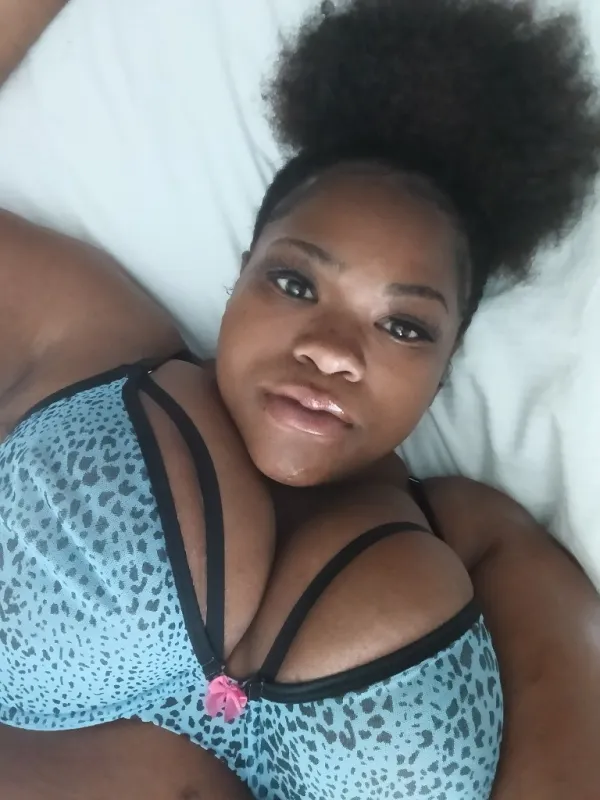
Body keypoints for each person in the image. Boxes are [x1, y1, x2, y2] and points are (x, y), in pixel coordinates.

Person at [1, 0, 600, 798]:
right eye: (294, 282)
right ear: (240, 276)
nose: (333, 350)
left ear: (447, 365)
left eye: (403, 326)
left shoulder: (497, 552)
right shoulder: (87, 339)